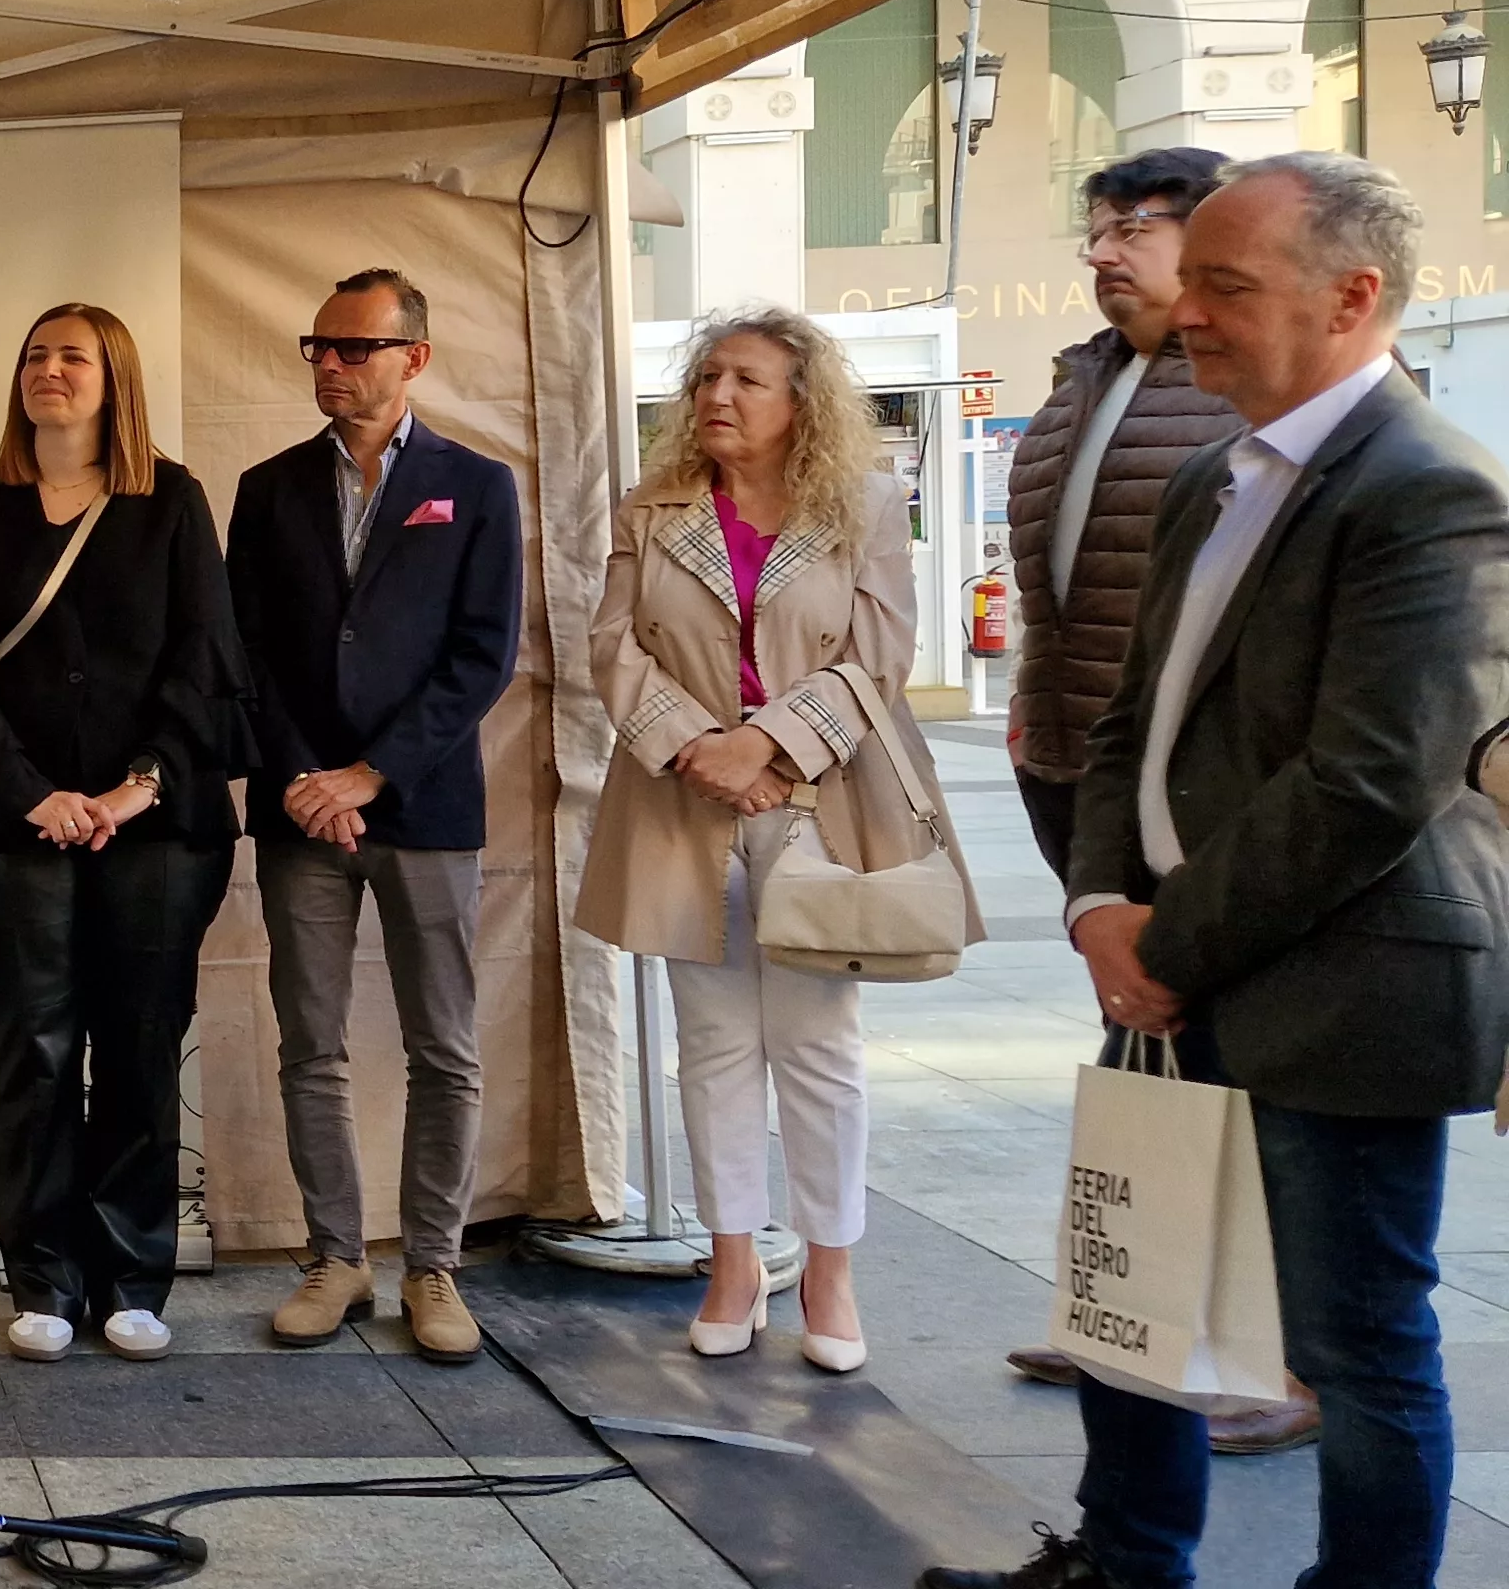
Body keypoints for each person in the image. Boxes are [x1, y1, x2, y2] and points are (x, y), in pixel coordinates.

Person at [926, 153, 1509, 1589]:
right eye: (1190, 283)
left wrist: (1163, 946)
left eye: (1226, 287)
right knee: (1134, 1293)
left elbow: (1370, 782)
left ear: (1351, 298)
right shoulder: (1215, 475)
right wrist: (1094, 905)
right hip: (1168, 967)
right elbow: (1129, 720)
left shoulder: (1436, 491)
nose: (1188, 314)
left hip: (1341, 986)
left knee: (1354, 1344)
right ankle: (1128, 1562)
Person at [990, 148, 1319, 1453]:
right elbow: (1057, 578)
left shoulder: (1242, 389)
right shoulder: (1084, 379)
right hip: (1083, 768)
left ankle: (1284, 1364)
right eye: (1098, 228)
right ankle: (1135, 1319)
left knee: (1246, 1066)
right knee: (1144, 1052)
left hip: (1209, 795)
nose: (1105, 250)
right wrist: (1036, 695)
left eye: (1136, 226)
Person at [576, 307, 963, 1375]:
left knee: (817, 1044)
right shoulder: (653, 506)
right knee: (711, 1044)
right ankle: (733, 1263)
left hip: (818, 800)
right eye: (706, 376)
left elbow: (878, 655)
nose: (717, 395)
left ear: (802, 401)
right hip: (683, 800)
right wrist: (699, 748)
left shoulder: (862, 505)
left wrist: (769, 749)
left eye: (746, 379)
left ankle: (830, 1272)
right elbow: (613, 646)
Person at [0, 304, 247, 1363]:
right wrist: (33, 792)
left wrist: (134, 787)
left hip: (155, 829)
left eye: (73, 356)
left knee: (139, 1048)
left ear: (117, 381)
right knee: (34, 1054)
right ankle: (45, 1280)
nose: (48, 370)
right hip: (13, 828)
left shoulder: (172, 501)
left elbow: (207, 657)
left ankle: (132, 1278)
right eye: (35, 354)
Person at [225, 268, 525, 1364]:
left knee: (443, 1046)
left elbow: (482, 656)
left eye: (355, 348)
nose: (332, 366)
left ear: (415, 359)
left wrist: (372, 775)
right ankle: (336, 1257)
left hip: (425, 805)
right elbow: (244, 654)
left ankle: (433, 1266)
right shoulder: (267, 489)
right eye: (320, 346)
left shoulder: (476, 485)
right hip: (301, 809)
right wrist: (308, 779)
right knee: (311, 1042)